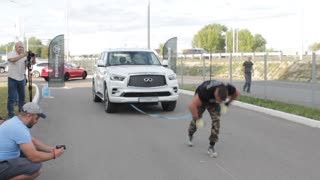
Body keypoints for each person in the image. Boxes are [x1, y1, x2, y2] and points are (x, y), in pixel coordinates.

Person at [0, 102, 65, 180]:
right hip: (2, 164)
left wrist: (51, 149)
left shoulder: (15, 121)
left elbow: (32, 141)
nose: (37, 121)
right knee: (35, 168)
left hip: (4, 160)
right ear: (29, 116)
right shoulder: (19, 128)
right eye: (36, 118)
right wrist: (54, 154)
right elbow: (34, 157)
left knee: (29, 150)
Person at [187, 80, 240, 158]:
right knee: (196, 120)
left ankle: (211, 146)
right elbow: (191, 106)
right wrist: (198, 119)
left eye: (221, 101)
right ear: (215, 93)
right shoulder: (204, 92)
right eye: (219, 100)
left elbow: (237, 93)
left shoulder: (228, 88)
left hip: (213, 103)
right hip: (202, 100)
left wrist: (226, 104)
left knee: (216, 121)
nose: (220, 102)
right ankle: (190, 134)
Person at [7, 41, 36, 118]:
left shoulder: (25, 56)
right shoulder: (11, 54)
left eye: (22, 47)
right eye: (19, 47)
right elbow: (13, 60)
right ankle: (11, 114)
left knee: (22, 98)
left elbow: (32, 63)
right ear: (16, 47)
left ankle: (20, 113)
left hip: (21, 79)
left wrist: (33, 57)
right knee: (11, 98)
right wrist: (23, 55)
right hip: (12, 78)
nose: (21, 48)